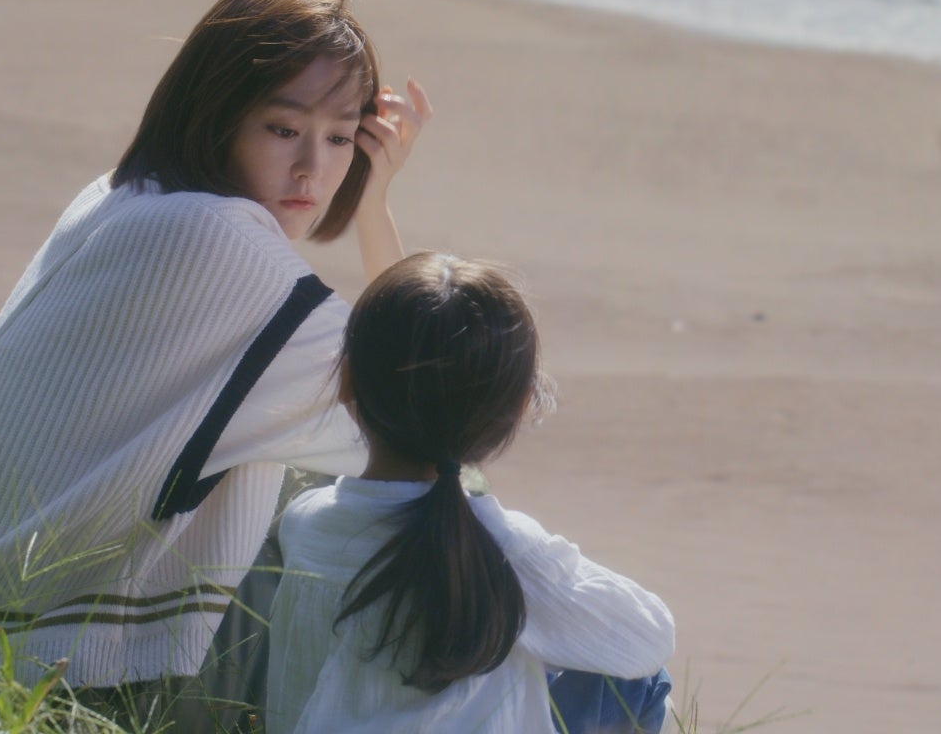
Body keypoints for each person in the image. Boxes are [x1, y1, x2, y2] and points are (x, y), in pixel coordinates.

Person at [0, 0, 431, 728]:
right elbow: (423, 404)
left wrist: (372, 193)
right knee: (433, 504)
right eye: (282, 129)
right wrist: (377, 211)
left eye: (339, 139)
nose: (313, 169)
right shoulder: (217, 241)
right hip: (43, 677)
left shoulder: (123, 197)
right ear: (217, 114)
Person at [265, 253, 676, 734]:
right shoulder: (504, 548)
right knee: (639, 684)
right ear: (521, 404)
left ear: (345, 381)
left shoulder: (305, 524)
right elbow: (650, 635)